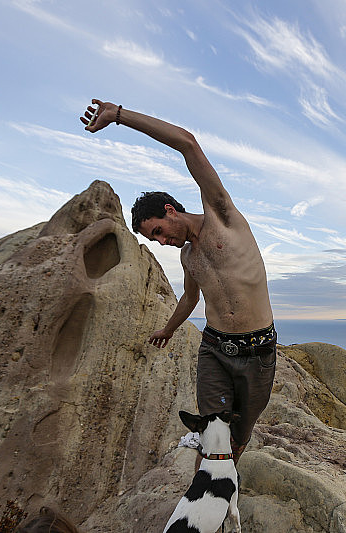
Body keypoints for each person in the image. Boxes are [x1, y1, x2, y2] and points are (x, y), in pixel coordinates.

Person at [80, 99, 277, 465]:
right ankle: (212, 485)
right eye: (152, 240)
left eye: (157, 231)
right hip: (215, 349)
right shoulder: (188, 257)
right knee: (214, 432)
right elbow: (190, 297)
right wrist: (169, 329)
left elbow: (187, 143)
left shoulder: (223, 218)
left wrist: (119, 115)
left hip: (257, 351)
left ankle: (230, 471)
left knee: (239, 435)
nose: (161, 241)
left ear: (170, 211)